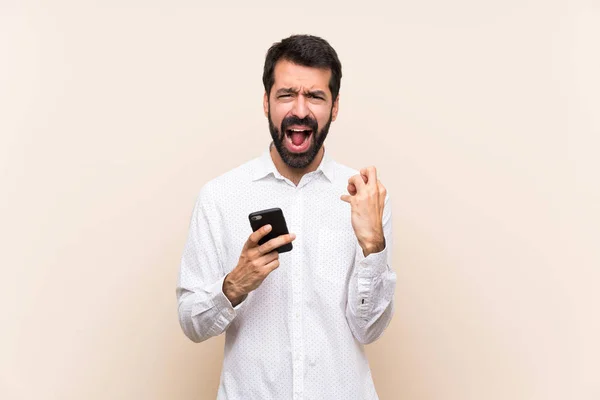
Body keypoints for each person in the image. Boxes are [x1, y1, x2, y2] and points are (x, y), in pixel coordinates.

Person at [176, 34, 396, 400]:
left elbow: (369, 330)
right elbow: (191, 323)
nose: (300, 110)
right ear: (266, 102)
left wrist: (373, 245)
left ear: (335, 106)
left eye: (315, 96)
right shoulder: (219, 196)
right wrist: (234, 285)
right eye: (286, 94)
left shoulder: (365, 197)